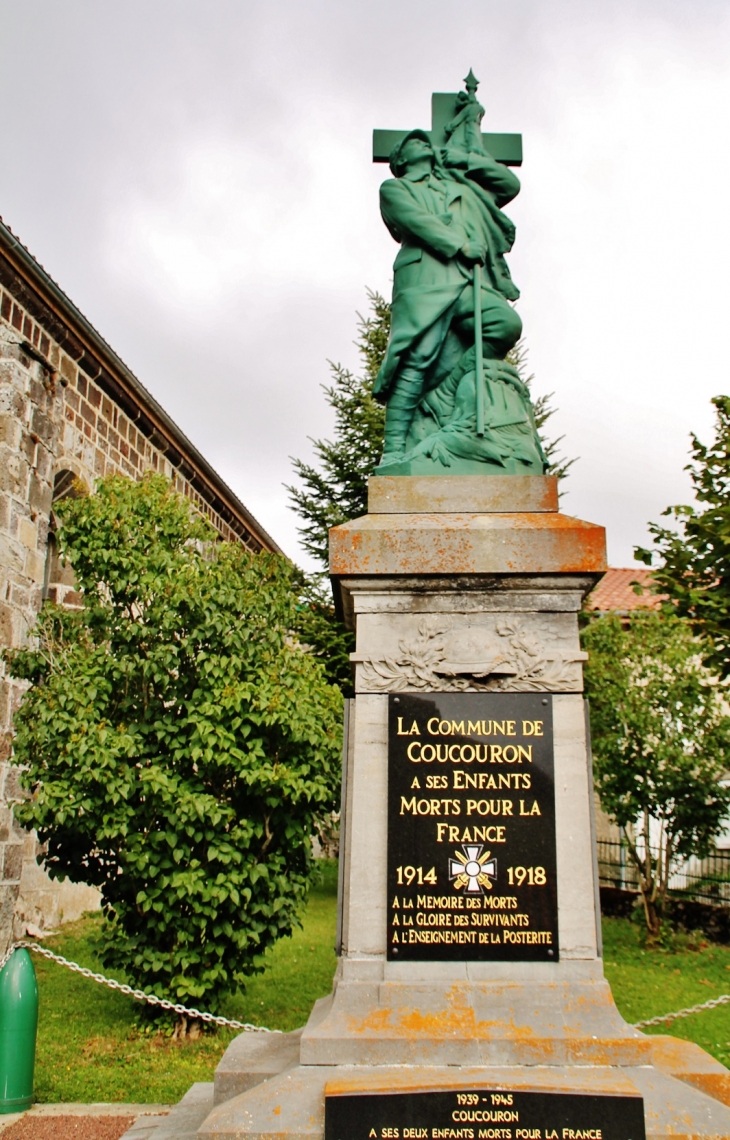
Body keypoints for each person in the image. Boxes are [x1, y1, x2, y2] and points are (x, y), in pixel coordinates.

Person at [374, 129, 523, 462]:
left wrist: (465, 159)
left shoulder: (457, 187)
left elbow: (508, 186)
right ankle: (395, 449)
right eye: (414, 142)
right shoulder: (394, 188)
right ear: (399, 159)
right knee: (418, 357)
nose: (423, 143)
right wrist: (460, 244)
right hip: (425, 279)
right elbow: (415, 221)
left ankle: (444, 392)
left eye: (426, 140)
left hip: (465, 281)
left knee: (504, 324)